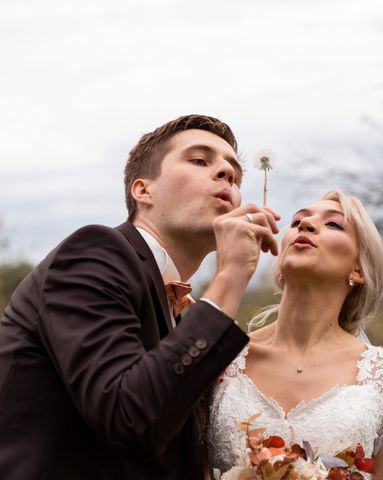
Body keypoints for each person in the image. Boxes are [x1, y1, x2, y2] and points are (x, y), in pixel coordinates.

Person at [0, 114, 280, 479]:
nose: (226, 173)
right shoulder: (95, 252)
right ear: (143, 190)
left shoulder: (180, 311)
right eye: (199, 160)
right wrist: (229, 277)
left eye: (234, 173)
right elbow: (129, 417)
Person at [206, 191, 383, 479]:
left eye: (334, 224)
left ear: (358, 269)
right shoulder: (222, 357)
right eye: (298, 219)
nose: (305, 224)